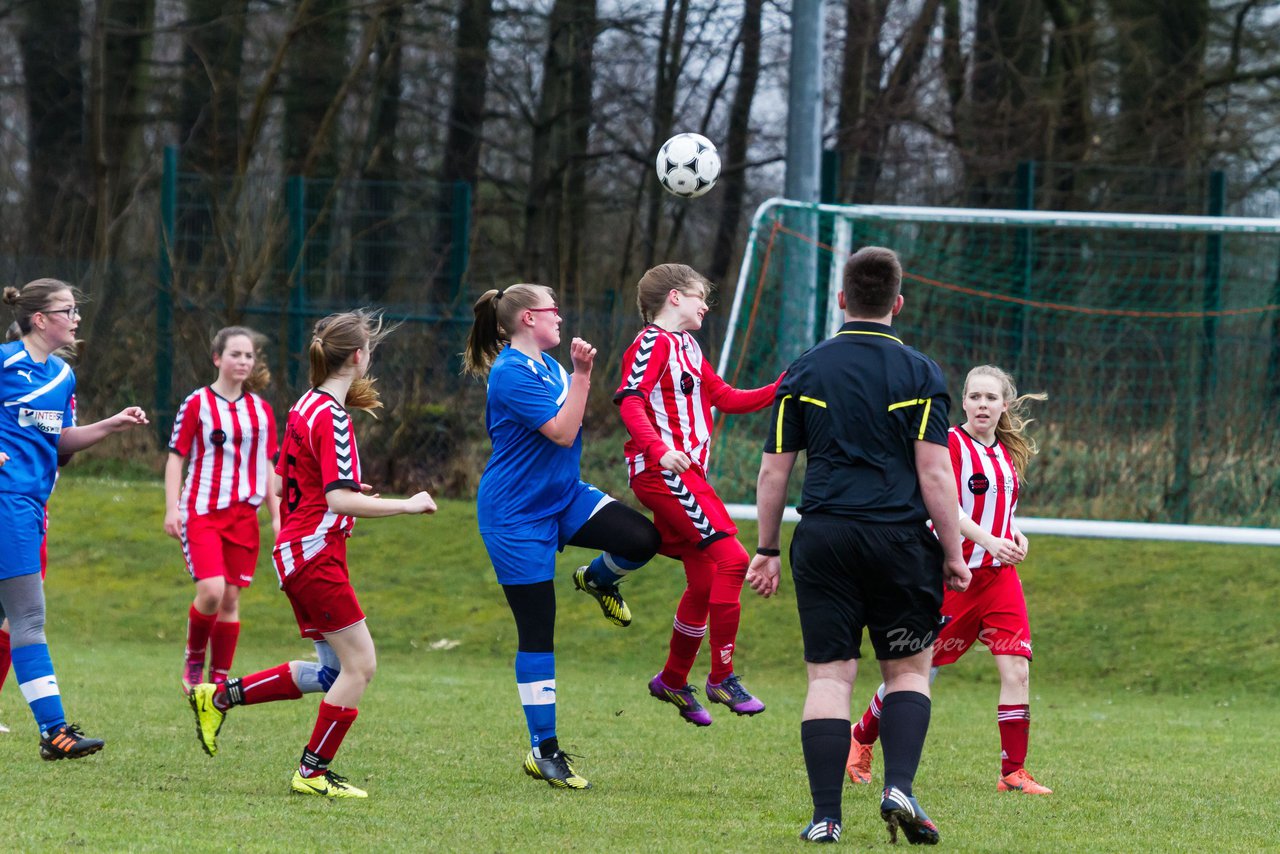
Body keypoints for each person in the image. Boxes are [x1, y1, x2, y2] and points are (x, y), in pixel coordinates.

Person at [745, 247, 970, 845]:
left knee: (828, 680)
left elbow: (774, 473)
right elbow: (935, 475)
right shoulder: (920, 373)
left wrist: (766, 548)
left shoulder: (804, 370)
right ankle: (899, 785)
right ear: (897, 303)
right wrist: (952, 552)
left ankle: (825, 817)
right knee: (907, 673)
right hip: (898, 540)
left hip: (823, 538)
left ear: (842, 299)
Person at [186, 310, 436, 799]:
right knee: (361, 666)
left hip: (302, 552)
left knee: (331, 672)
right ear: (359, 357)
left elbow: (284, 479)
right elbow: (339, 500)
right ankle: (313, 771)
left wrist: (333, 489)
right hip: (315, 555)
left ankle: (218, 696)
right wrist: (406, 505)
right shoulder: (335, 418)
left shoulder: (306, 404)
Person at [464, 283, 661, 790]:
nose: (560, 317)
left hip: (563, 495)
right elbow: (563, 432)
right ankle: (544, 750)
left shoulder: (548, 367)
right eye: (554, 311)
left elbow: (565, 432)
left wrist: (574, 376)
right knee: (538, 629)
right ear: (529, 318)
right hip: (515, 515)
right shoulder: (510, 372)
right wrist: (583, 376)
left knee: (641, 539)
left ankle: (597, 580)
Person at [847, 365, 1051, 795]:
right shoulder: (949, 443)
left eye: (990, 398)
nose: (982, 405)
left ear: (1004, 405)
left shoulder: (1007, 453)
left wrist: (1015, 534)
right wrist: (988, 540)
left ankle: (1012, 773)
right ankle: (860, 737)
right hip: (951, 575)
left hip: (998, 578)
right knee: (918, 672)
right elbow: (946, 508)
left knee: (1017, 667)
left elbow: (1005, 507)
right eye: (974, 397)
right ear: (963, 401)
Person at [614, 263, 782, 725]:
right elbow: (630, 397)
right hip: (662, 472)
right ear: (673, 298)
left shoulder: (687, 345)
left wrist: (783, 387)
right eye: (697, 296)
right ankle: (722, 677)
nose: (705, 305)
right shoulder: (652, 342)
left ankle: (671, 679)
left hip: (684, 475)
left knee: (706, 580)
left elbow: (726, 398)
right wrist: (658, 448)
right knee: (732, 559)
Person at [0, 278, 149, 759]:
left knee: (6, 616)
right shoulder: (4, 362)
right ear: (40, 319)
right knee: (28, 619)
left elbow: (60, 441)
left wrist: (110, 425)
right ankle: (54, 731)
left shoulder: (63, 378)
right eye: (68, 310)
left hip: (30, 506)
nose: (77, 318)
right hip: (9, 502)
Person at [165, 327, 280, 695]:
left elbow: (267, 466)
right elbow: (175, 457)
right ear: (217, 359)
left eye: (249, 356)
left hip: (243, 518)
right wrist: (172, 509)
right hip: (201, 513)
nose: (243, 361)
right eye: (235, 354)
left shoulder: (261, 411)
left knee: (230, 599)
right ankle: (194, 659)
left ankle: (220, 679)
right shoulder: (197, 403)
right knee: (212, 591)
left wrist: (276, 515)